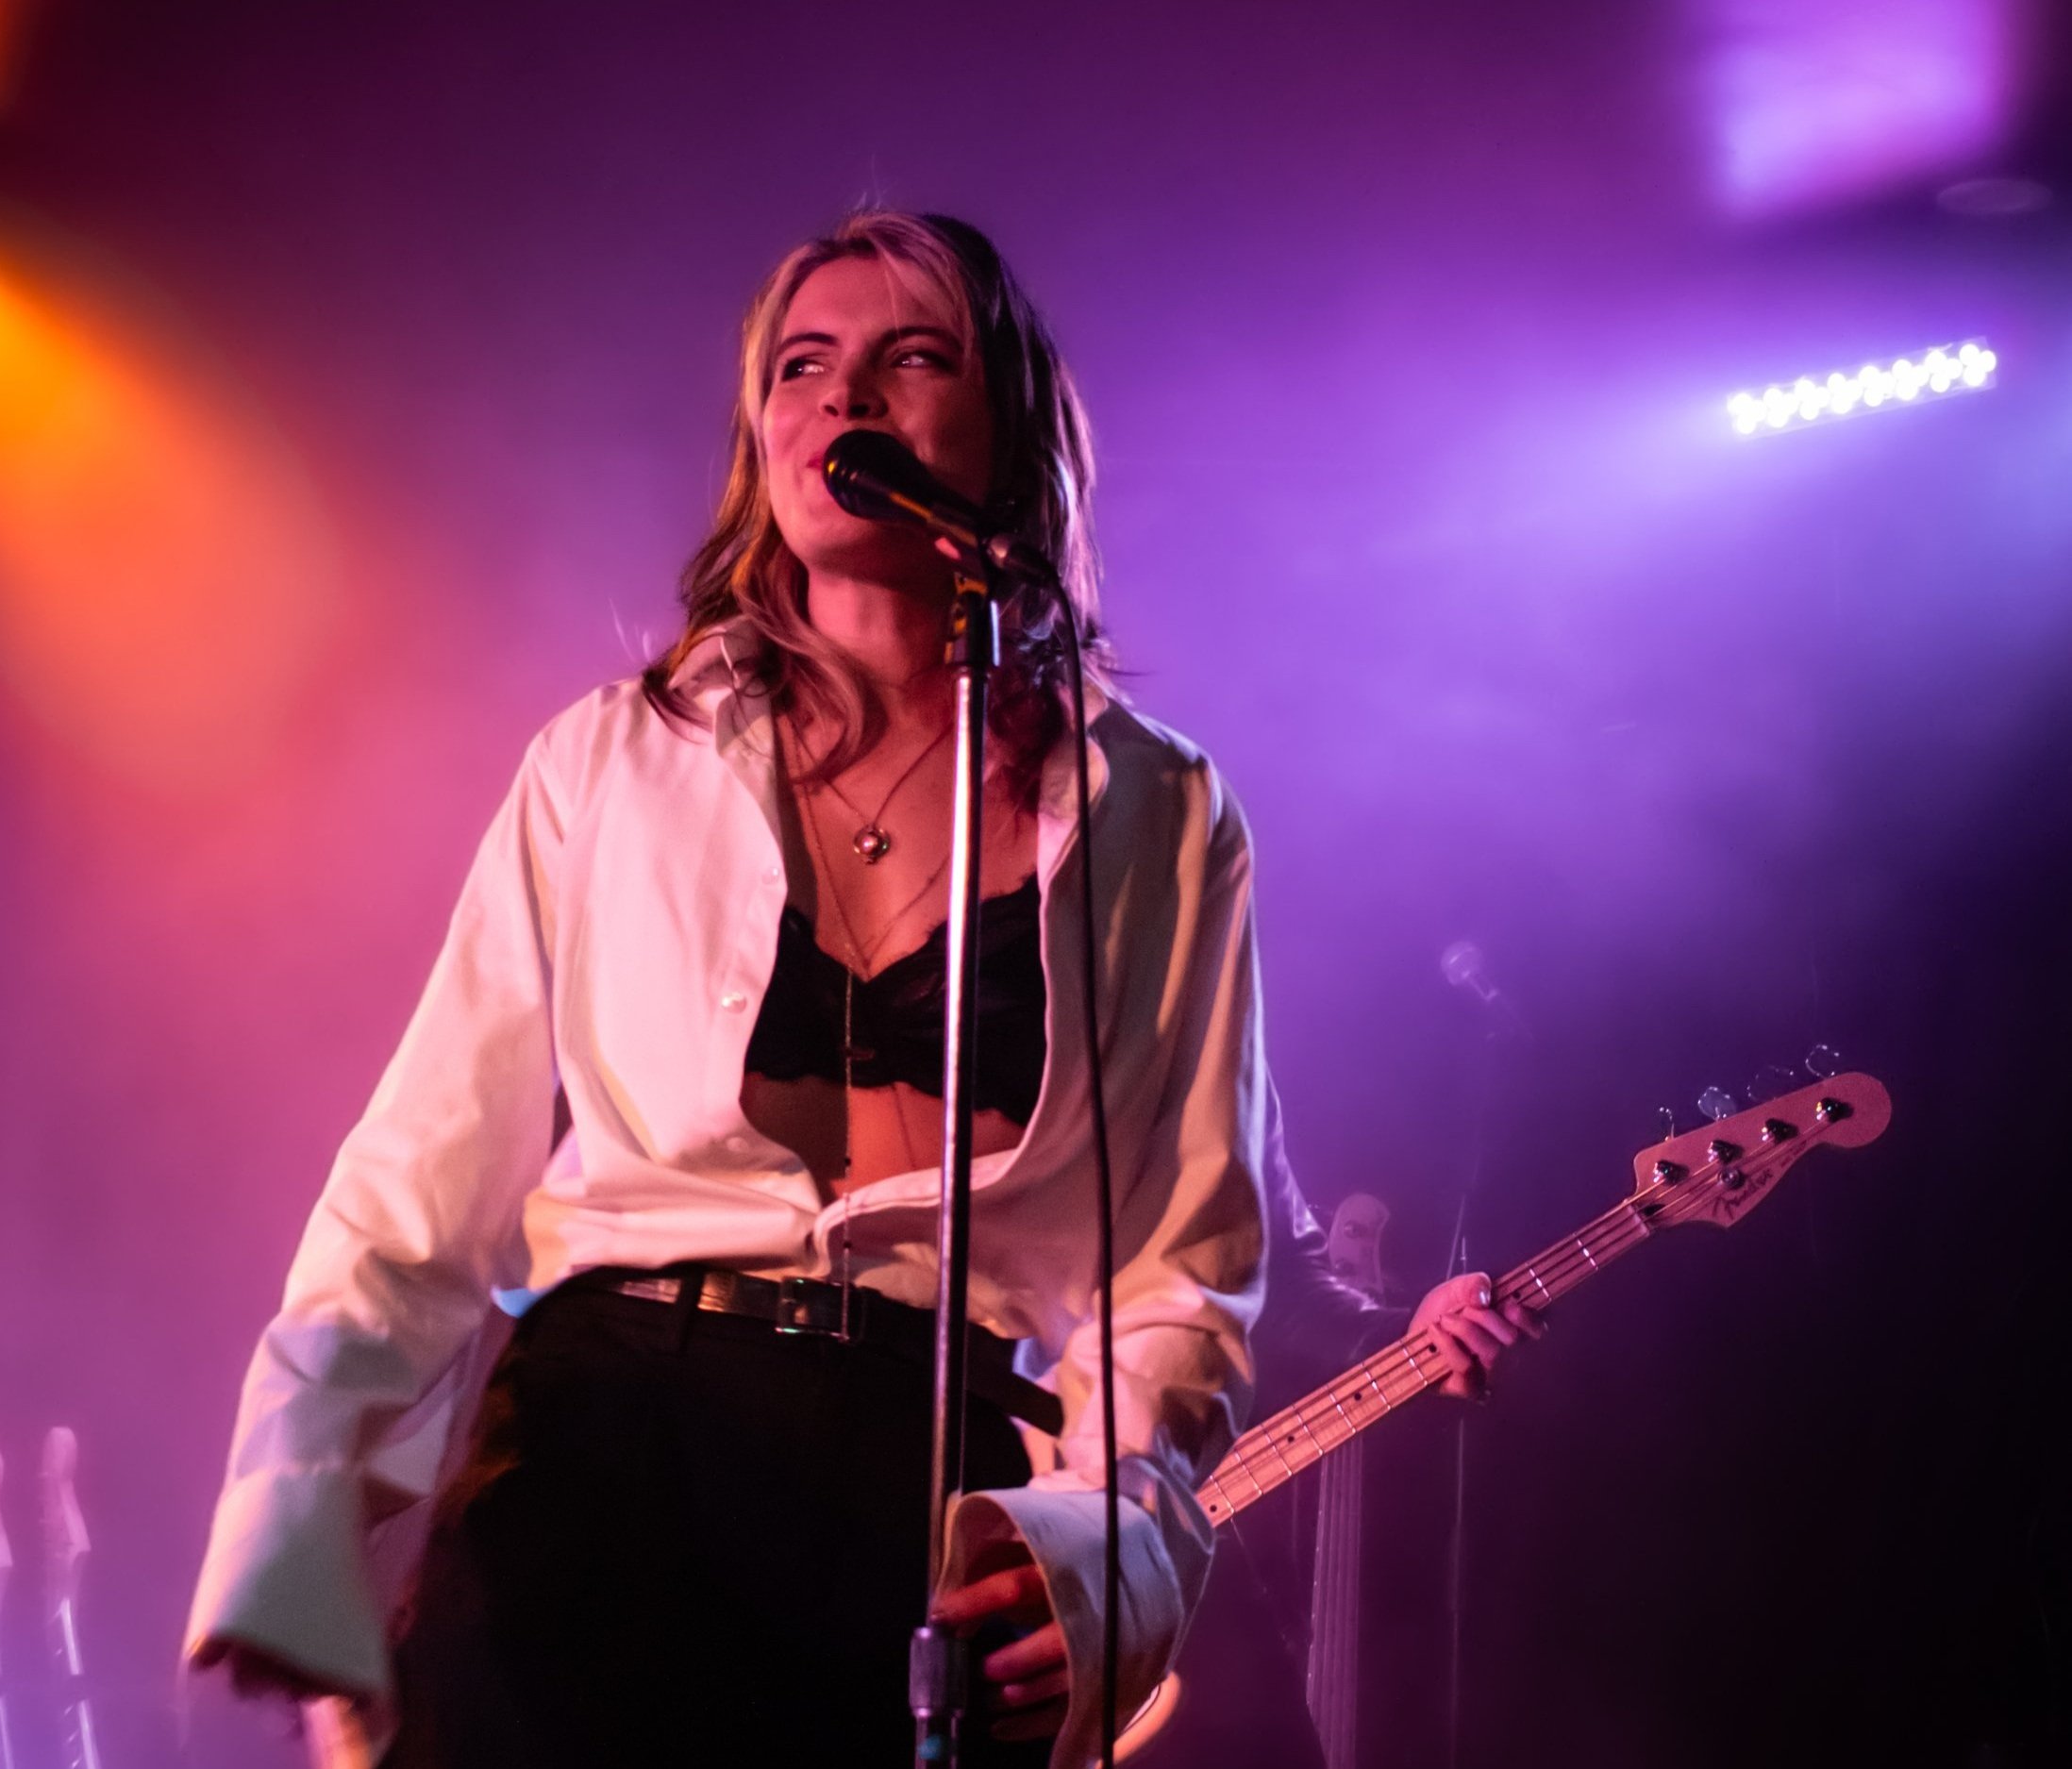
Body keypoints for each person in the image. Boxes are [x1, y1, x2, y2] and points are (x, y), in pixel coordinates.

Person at [184, 209, 1535, 1769]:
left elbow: (1184, 1260)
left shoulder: (1159, 812)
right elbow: (418, 1178)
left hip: (919, 1479)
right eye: (803, 366)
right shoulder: (615, 763)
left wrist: (1106, 1552)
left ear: (1010, 427)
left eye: (911, 358)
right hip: (603, 1446)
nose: (844, 401)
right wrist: (303, 1501)